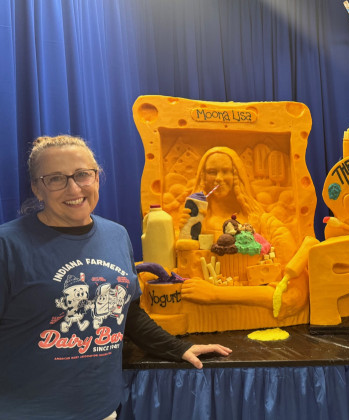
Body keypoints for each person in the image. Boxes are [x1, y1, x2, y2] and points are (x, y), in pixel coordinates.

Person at [0, 135, 232, 419]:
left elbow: (129, 314)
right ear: (38, 188)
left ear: (97, 178)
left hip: (102, 410)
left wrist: (178, 348)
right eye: (56, 178)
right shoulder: (7, 245)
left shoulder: (117, 235)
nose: (74, 187)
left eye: (83, 174)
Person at [179, 146, 296, 263]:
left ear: (236, 175)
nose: (219, 178)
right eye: (212, 172)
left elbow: (285, 245)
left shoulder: (257, 219)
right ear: (203, 177)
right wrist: (184, 233)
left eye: (225, 171)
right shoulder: (197, 220)